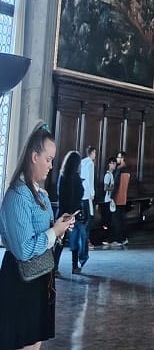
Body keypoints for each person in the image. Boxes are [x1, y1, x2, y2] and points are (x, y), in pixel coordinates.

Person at [0, 124, 76, 350]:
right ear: (34, 157)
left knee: (35, 342)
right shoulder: (18, 195)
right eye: (48, 159)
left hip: (40, 277)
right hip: (21, 281)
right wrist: (54, 232)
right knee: (22, 343)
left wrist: (59, 227)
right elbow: (24, 249)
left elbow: (42, 233)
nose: (51, 166)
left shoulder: (39, 193)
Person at [55, 151, 84, 275]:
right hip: (72, 214)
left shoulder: (62, 176)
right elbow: (79, 194)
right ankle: (74, 267)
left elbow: (60, 195)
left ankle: (54, 267)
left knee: (60, 242)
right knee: (74, 242)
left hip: (62, 212)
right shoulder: (76, 177)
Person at [78, 146, 96, 268]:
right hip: (87, 194)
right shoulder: (90, 163)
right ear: (92, 153)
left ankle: (84, 242)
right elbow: (90, 179)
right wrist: (92, 192)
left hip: (81, 194)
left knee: (85, 220)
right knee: (88, 220)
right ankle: (85, 242)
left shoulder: (82, 162)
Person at [111, 150, 131, 246]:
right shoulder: (128, 170)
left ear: (122, 159)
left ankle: (118, 239)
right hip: (124, 198)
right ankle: (124, 238)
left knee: (116, 220)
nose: (117, 159)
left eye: (118, 157)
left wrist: (112, 197)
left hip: (117, 198)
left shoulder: (119, 170)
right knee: (122, 219)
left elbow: (116, 185)